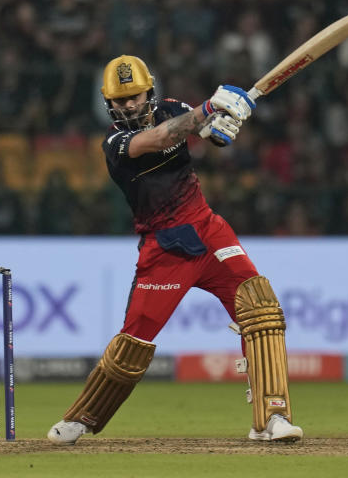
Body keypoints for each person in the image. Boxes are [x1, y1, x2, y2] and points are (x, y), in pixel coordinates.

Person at [47, 56, 302, 444]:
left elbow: (209, 134)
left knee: (260, 306)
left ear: (150, 91)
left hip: (209, 231)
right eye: (121, 99)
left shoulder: (173, 109)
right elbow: (164, 137)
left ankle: (272, 417)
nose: (129, 104)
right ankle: (83, 417)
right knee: (134, 340)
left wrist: (224, 123)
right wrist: (211, 108)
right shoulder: (115, 143)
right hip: (164, 249)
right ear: (109, 103)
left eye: (136, 95)